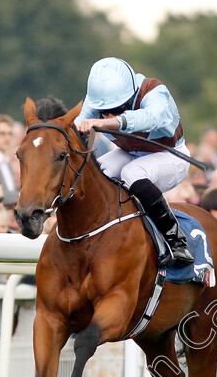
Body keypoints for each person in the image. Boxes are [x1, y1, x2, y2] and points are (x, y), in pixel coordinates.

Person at [74, 57, 193, 268]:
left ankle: (176, 241)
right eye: (105, 111)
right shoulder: (97, 97)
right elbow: (76, 129)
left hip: (171, 155)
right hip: (130, 152)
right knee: (96, 173)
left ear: (130, 97)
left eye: (118, 109)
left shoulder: (154, 91)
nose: (110, 114)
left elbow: (150, 118)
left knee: (132, 173)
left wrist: (102, 121)